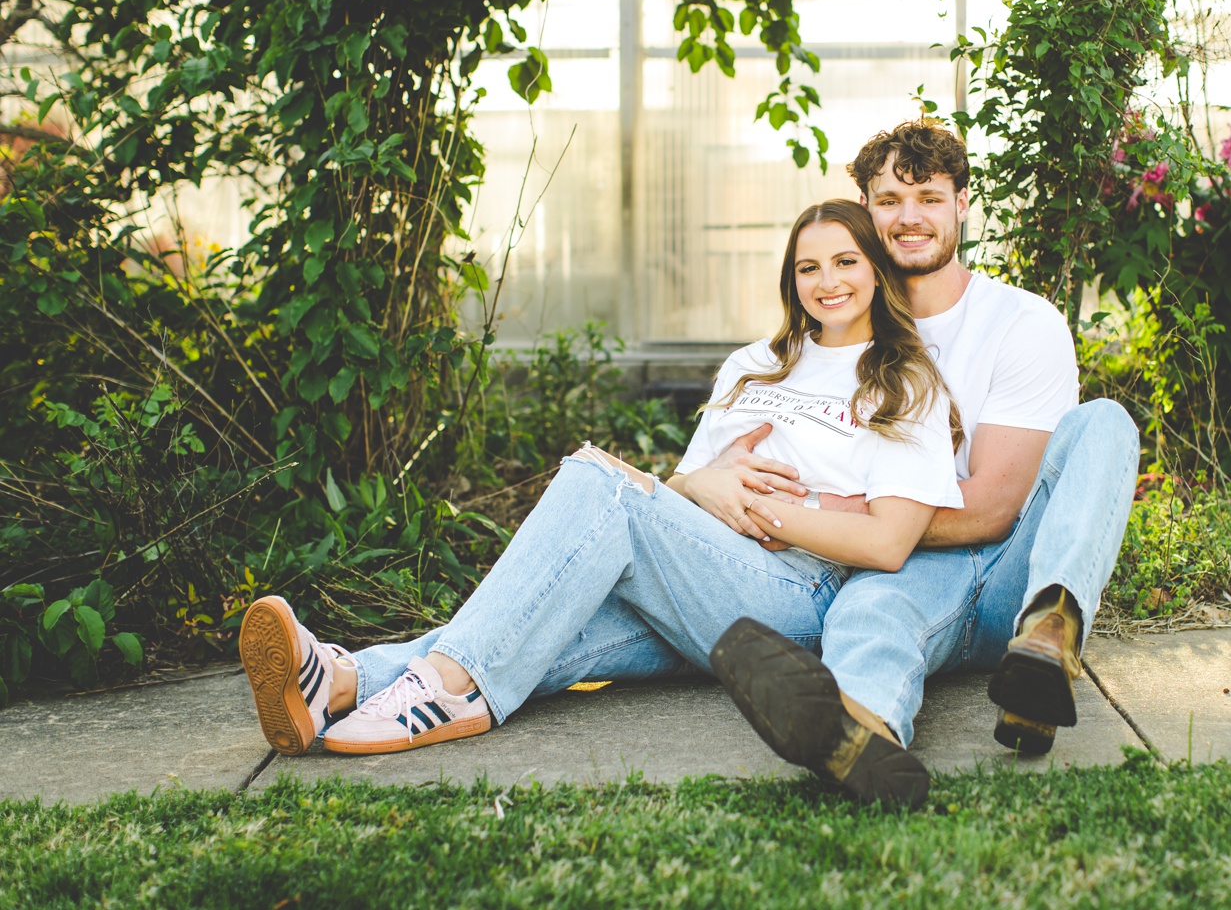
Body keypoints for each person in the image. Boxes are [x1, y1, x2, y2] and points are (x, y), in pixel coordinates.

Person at [239, 199, 962, 808]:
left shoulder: (904, 381)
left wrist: (766, 511)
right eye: (808, 267)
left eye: (845, 262)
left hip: (793, 599)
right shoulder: (753, 366)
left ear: (875, 271)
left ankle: (449, 686)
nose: (827, 282)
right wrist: (706, 486)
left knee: (597, 482)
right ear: (790, 278)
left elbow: (889, 542)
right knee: (544, 619)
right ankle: (341, 682)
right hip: (702, 574)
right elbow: (678, 496)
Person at [706, 120, 1140, 793]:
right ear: (864, 210)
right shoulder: (841, 326)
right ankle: (864, 737)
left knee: (1105, 423)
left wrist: (854, 516)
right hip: (909, 571)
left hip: (1009, 572)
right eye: (889, 201)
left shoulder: (1021, 323)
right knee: (869, 612)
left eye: (930, 198)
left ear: (961, 204)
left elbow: (994, 507)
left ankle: (1049, 636)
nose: (909, 218)